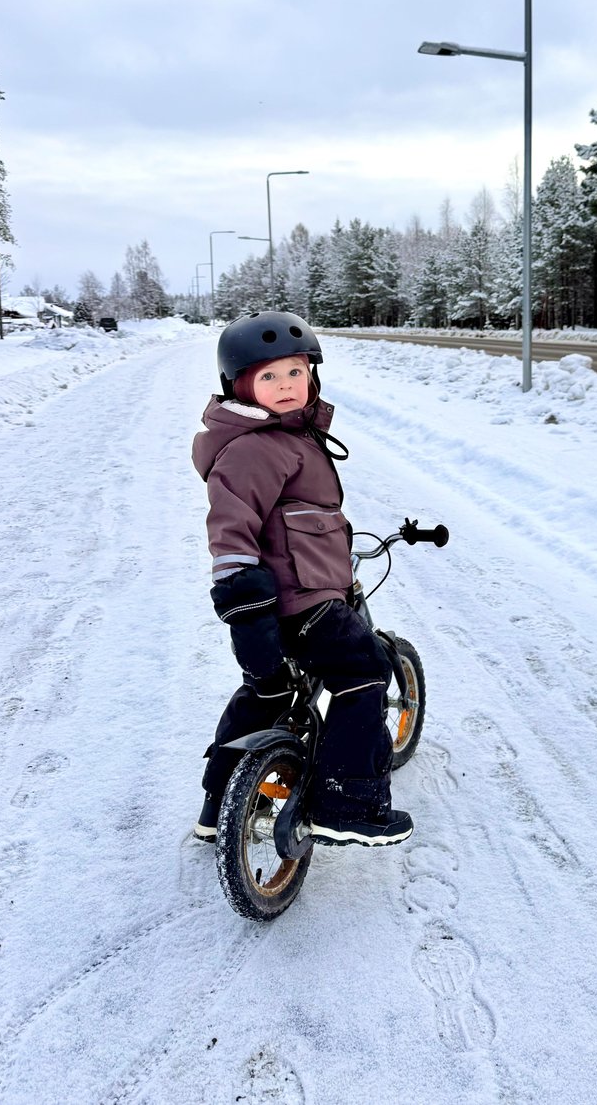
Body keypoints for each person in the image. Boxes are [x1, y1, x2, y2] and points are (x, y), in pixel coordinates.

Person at [191, 310, 413, 849]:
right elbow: (232, 528)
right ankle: (345, 801)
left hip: (296, 595)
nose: (286, 386)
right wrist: (244, 602)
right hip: (298, 600)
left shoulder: (291, 436)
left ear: (312, 374)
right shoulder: (253, 449)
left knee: (267, 691)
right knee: (364, 671)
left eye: (294, 372)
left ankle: (219, 806)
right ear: (241, 387)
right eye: (268, 377)